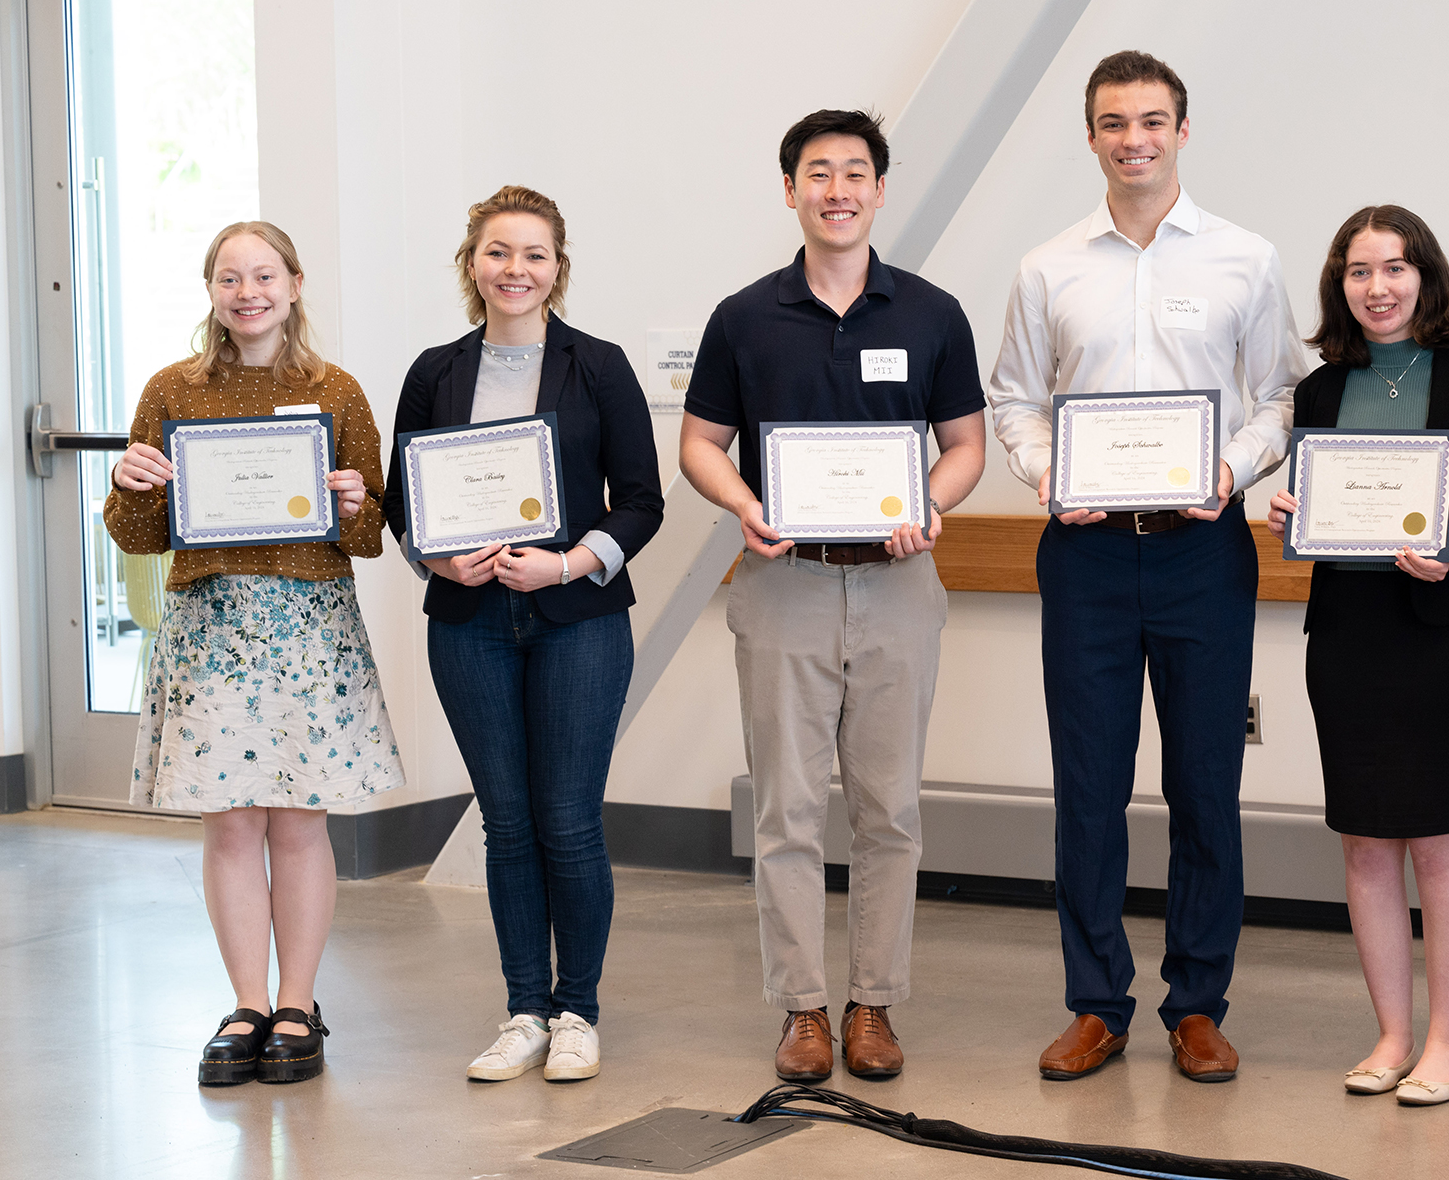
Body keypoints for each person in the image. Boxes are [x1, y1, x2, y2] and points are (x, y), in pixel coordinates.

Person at [988, 50, 1311, 1082]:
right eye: (1114, 121)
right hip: (1081, 553)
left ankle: (1196, 1004)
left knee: (1204, 785)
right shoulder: (1046, 267)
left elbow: (1279, 397)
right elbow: (1012, 401)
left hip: (1200, 554)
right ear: (1089, 136)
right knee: (1086, 787)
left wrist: (1227, 466)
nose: (1134, 137)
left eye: (1152, 119)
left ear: (1181, 131)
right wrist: (1046, 474)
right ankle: (1096, 1002)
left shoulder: (1243, 259)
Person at [679, 109, 986, 1082]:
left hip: (897, 585)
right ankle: (803, 1006)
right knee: (786, 812)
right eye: (818, 172)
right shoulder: (744, 316)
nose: (837, 188)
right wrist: (742, 503)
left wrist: (927, 507)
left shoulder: (931, 313)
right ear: (790, 190)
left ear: (879, 189)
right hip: (783, 581)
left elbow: (965, 446)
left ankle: (873, 1004)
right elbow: (698, 444)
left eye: (855, 171)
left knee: (889, 810)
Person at [105, 220, 403, 1085]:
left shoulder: (335, 390)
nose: (248, 292)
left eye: (264, 275)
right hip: (211, 622)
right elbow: (139, 534)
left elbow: (374, 532)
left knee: (300, 821)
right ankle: (245, 1000)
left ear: (296, 283)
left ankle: (299, 1003)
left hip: (309, 625)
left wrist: (352, 499)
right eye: (229, 278)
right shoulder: (171, 389)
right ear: (211, 292)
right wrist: (126, 485)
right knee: (229, 823)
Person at [384, 186, 663, 1083]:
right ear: (473, 263)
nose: (516, 270)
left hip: (575, 619)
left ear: (558, 267)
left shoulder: (601, 366)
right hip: (469, 623)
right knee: (506, 825)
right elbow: (404, 504)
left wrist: (568, 563)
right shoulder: (435, 371)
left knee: (570, 822)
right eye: (499, 253)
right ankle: (523, 1011)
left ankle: (577, 1008)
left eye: (534, 255)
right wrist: (437, 562)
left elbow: (644, 504)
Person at [1266, 206, 1449, 1106]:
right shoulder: (1317, 390)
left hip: (1442, 637)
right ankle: (1391, 1033)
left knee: (1441, 844)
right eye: (1357, 271)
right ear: (1338, 286)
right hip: (1347, 635)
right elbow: (1316, 501)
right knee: (1366, 845)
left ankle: (1448, 1043)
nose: (1377, 287)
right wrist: (1292, 515)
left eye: (1394, 267)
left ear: (1425, 275)